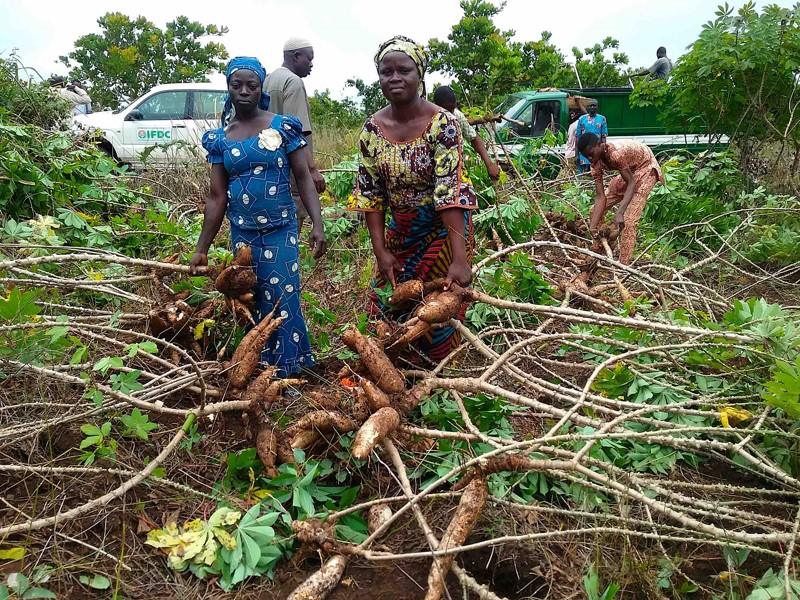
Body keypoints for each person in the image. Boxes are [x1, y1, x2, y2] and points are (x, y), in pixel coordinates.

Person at [189, 57, 327, 377]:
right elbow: (216, 196)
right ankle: (259, 365)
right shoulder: (221, 138)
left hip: (281, 229)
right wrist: (201, 248)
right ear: (228, 88)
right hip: (243, 233)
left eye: (252, 85)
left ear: (261, 88)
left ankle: (289, 367)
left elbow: (304, 177)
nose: (244, 91)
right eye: (236, 85)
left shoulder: (282, 126)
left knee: (284, 296)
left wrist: (318, 224)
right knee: (254, 296)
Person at [348, 36, 477, 363]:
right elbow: (371, 196)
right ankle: (393, 367)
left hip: (442, 230)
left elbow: (450, 192)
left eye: (403, 70)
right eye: (385, 72)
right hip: (400, 231)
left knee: (438, 305)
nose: (394, 78)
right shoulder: (371, 130)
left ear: (420, 75)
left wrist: (459, 258)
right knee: (387, 303)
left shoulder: (442, 124)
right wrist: (381, 251)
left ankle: (437, 377)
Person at [264, 38, 326, 233]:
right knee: (294, 211)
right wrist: (312, 169)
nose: (312, 64)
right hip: (291, 163)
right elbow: (296, 132)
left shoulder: (268, 79)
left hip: (270, 162)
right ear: (296, 56)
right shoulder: (293, 82)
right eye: (309, 59)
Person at [577, 132, 664, 265]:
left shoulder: (615, 154)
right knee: (594, 211)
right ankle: (598, 252)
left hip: (646, 168)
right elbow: (600, 196)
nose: (590, 158)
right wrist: (593, 227)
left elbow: (631, 183)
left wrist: (620, 212)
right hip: (630, 171)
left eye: (591, 153)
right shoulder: (595, 165)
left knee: (629, 221)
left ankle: (623, 266)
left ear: (599, 145)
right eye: (586, 156)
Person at [432, 85, 500, 181]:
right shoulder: (429, 119)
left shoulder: (457, 116)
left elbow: (474, 138)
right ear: (437, 106)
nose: (450, 113)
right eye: (447, 110)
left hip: (455, 172)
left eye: (452, 109)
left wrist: (489, 164)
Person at [575, 101, 607, 173]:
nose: (592, 107)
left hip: (596, 151)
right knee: (583, 174)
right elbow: (578, 138)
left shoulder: (602, 119)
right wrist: (576, 154)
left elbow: (603, 137)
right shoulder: (582, 119)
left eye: (594, 105)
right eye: (590, 106)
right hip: (583, 151)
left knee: (596, 172)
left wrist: (604, 152)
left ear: (597, 107)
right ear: (587, 108)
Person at [564, 96, 587, 173]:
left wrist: (578, 102)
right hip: (571, 153)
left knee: (569, 175)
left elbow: (585, 115)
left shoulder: (576, 124)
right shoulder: (573, 125)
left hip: (571, 153)